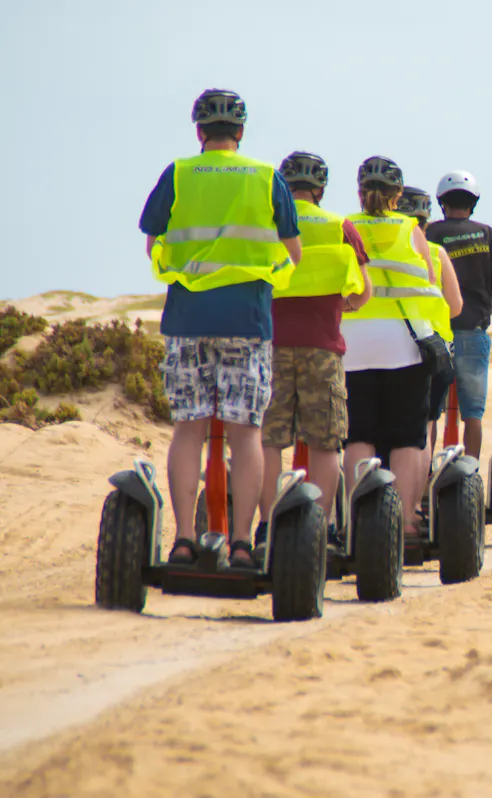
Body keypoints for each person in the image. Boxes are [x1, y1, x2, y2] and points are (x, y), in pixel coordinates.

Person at [137, 88, 301, 569]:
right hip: (247, 320)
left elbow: (153, 245)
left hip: (187, 318)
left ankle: (184, 541)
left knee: (188, 427)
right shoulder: (266, 177)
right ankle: (243, 544)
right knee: (246, 432)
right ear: (242, 133)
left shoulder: (179, 173)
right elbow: (292, 254)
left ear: (199, 132)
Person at [257, 151, 373, 550]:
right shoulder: (338, 225)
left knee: (269, 440)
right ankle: (319, 528)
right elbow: (363, 291)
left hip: (270, 346)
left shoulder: (269, 224)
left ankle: (267, 526)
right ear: (320, 189)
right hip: (322, 348)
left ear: (284, 188)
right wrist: (346, 306)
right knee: (325, 442)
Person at [341, 156, 442, 540]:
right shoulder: (411, 229)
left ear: (360, 192)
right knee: (407, 435)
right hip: (404, 345)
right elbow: (429, 283)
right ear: (398, 195)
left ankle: (356, 519)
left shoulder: (347, 228)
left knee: (359, 434)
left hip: (355, 345)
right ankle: (407, 520)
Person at [425, 170, 492, 460]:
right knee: (473, 414)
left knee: (430, 413)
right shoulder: (486, 233)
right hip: (472, 331)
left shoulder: (430, 233)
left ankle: (423, 477)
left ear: (441, 203)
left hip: (435, 334)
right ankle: (470, 471)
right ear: (473, 203)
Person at [395, 185, 463, 477]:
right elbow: (456, 306)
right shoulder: (436, 253)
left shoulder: (375, 251)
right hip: (431, 351)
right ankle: (417, 493)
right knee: (424, 428)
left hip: (386, 347)